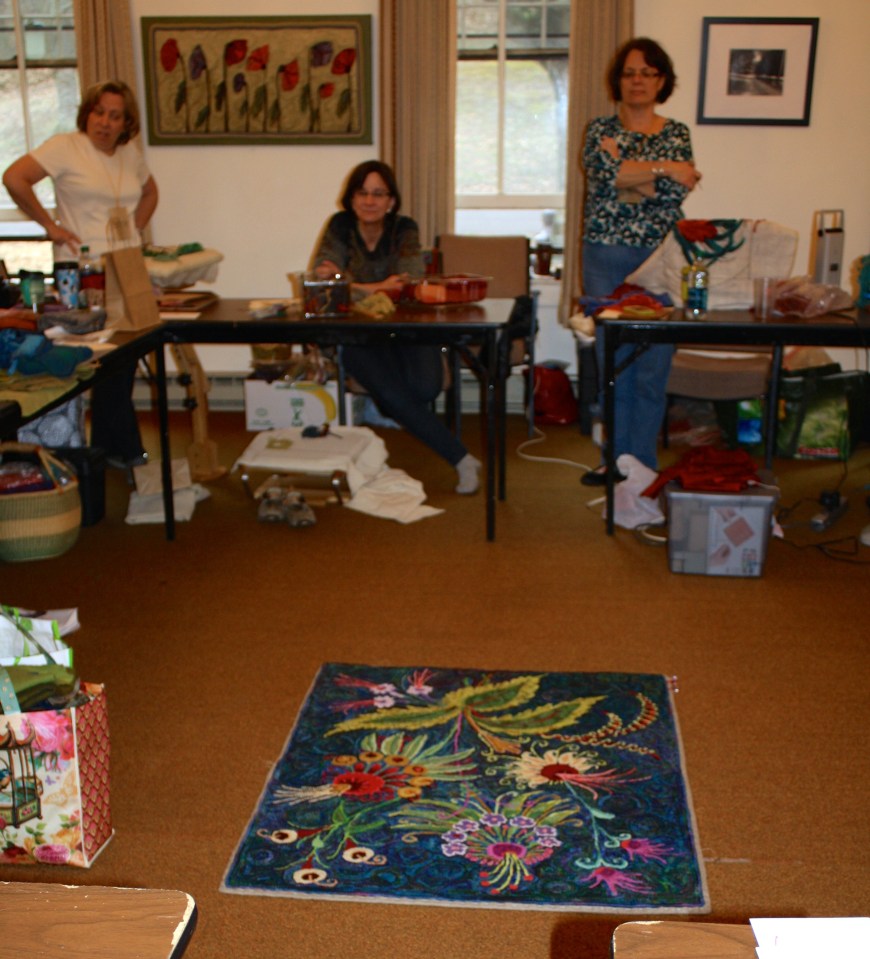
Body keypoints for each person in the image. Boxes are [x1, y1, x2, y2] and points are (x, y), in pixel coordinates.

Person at [3, 79, 159, 469]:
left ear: (126, 123)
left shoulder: (129, 154)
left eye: (115, 116)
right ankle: (121, 449)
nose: (105, 122)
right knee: (104, 360)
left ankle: (112, 448)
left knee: (122, 358)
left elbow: (151, 192)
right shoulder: (65, 147)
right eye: (98, 112)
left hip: (125, 267)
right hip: (82, 272)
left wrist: (136, 230)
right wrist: (50, 227)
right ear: (87, 113)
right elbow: (14, 178)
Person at [312, 160, 480, 494]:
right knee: (391, 394)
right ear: (351, 197)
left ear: (391, 200)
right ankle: (461, 458)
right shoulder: (339, 225)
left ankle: (385, 402)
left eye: (378, 193)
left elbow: (408, 281)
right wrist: (377, 287)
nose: (369, 201)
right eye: (362, 192)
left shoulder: (405, 228)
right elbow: (325, 281)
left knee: (425, 388)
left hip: (407, 326)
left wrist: (352, 283)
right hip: (355, 333)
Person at [580, 38, 701, 485]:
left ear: (661, 81)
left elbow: (670, 193)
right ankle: (615, 459)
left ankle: (643, 464)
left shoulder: (677, 132)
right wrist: (664, 168)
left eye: (647, 73)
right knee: (614, 362)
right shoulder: (598, 129)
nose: (637, 81)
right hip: (605, 254)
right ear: (619, 80)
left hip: (661, 258)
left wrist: (628, 170)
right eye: (630, 72)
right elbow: (603, 178)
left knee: (652, 366)